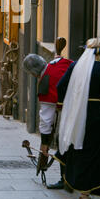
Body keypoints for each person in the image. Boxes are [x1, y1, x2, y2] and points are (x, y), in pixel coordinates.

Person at [57, 38, 100, 199]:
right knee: (94, 154)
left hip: (76, 115)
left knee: (79, 149)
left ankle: (74, 184)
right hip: (96, 117)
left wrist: (63, 106)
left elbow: (61, 85)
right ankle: (85, 194)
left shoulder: (75, 66)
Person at [23, 38, 73, 189]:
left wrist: (45, 144)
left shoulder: (45, 82)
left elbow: (46, 119)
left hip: (73, 111)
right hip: (84, 102)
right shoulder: (59, 62)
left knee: (63, 141)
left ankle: (66, 179)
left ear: (33, 73)